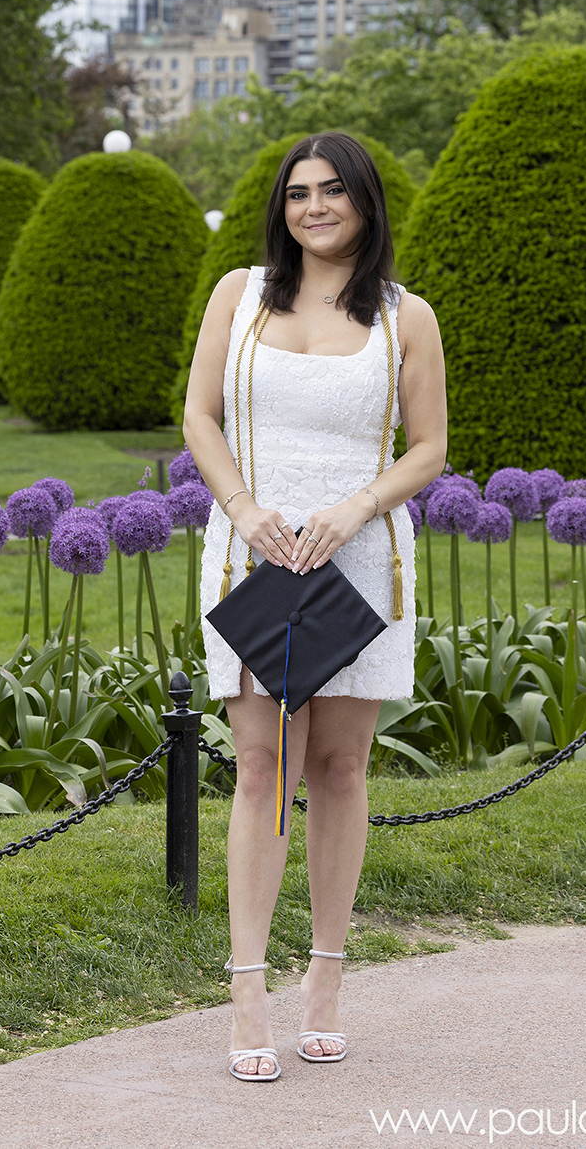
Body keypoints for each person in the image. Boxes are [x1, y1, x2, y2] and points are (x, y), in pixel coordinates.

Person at [182, 132, 448, 1082]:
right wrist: (247, 511)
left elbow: (428, 449)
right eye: (300, 193)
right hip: (255, 554)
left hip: (360, 556)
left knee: (338, 769)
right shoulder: (238, 293)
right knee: (260, 765)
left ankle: (325, 983)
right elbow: (200, 416)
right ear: (281, 208)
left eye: (335, 191)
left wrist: (354, 511)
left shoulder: (406, 316)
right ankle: (246, 988)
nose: (317, 207)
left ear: (368, 205)